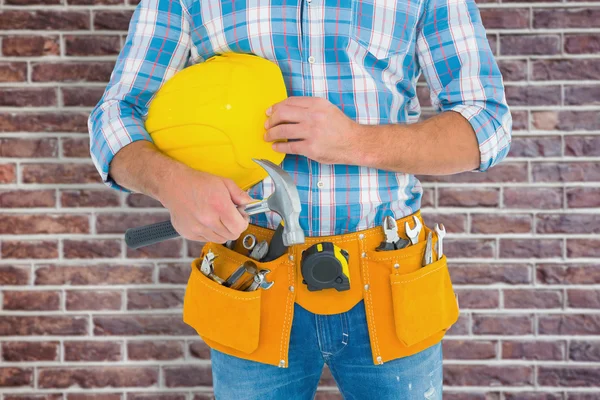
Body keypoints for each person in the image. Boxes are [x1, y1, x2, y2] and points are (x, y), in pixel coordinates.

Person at [88, 0, 511, 398]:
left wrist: (355, 143)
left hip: (390, 275)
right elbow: (116, 114)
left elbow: (486, 123)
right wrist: (173, 182)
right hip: (252, 274)